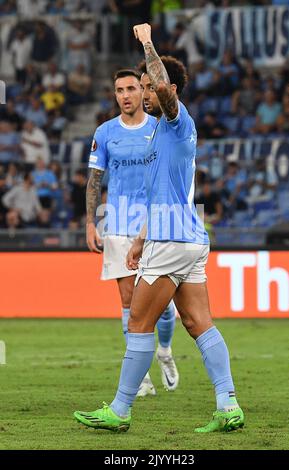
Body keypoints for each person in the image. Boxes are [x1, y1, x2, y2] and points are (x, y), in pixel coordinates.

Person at [74, 24, 244, 433]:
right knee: (198, 323)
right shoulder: (158, 137)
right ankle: (228, 405)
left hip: (172, 240)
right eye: (141, 88)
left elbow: (167, 91)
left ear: (165, 89)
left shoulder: (176, 120)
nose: (144, 93)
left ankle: (119, 410)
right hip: (184, 237)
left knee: (137, 322)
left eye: (147, 87)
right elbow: (161, 194)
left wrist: (148, 42)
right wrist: (139, 238)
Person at [83, 68, 179, 396]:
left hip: (156, 224)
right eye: (119, 90)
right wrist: (90, 223)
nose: (125, 95)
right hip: (119, 225)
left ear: (143, 92)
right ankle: (142, 377)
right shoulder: (106, 132)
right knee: (128, 301)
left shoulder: (160, 128)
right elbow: (95, 180)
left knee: (163, 304)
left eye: (131, 89)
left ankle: (165, 350)